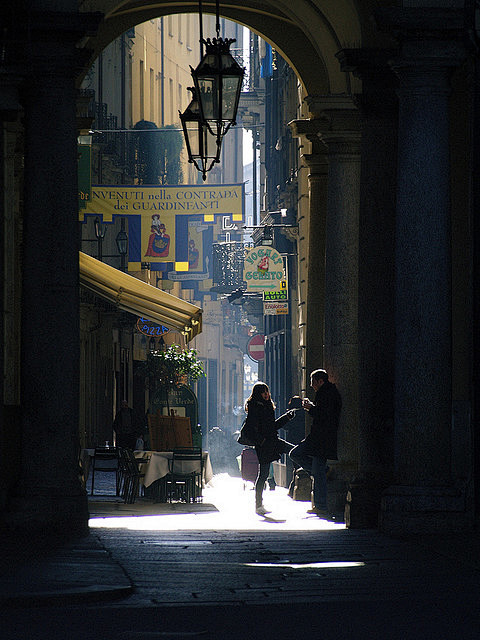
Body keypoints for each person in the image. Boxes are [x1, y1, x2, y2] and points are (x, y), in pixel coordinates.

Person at [289, 369, 342, 518]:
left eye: (313, 382)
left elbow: (324, 416)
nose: (311, 385)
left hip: (323, 438)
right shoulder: (326, 393)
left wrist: (311, 408)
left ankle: (321, 505)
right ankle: (323, 473)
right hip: (318, 437)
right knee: (296, 454)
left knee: (315, 470)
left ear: (320, 381)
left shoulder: (328, 393)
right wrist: (312, 408)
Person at [244, 382, 295, 515]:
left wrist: (287, 417)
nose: (266, 394)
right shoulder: (255, 408)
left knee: (294, 451)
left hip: (272, 441)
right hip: (265, 445)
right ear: (257, 394)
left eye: (267, 391)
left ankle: (314, 470)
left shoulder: (267, 406)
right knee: (264, 474)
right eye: (263, 392)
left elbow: (272, 426)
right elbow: (252, 429)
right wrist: (261, 441)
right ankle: (258, 505)